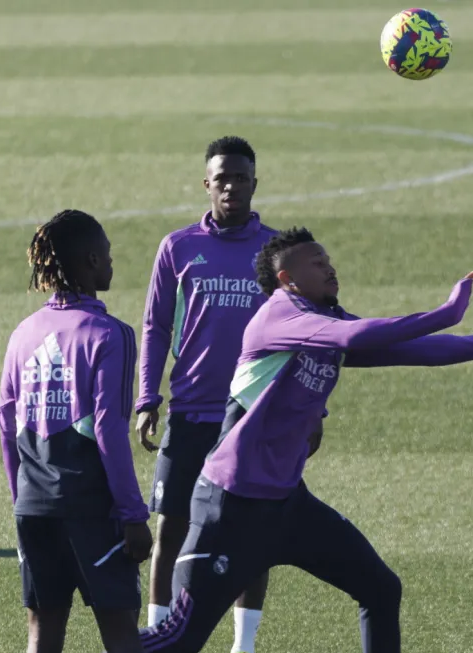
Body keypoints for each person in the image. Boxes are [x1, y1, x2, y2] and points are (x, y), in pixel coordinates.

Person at [137, 227, 473, 652]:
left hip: (287, 506)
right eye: (318, 263)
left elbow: (411, 349)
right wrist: (446, 311)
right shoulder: (278, 316)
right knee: (179, 641)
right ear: (287, 279)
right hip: (230, 510)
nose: (331, 269)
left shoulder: (326, 320)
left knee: (381, 589)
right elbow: (356, 337)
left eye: (329, 261)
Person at [134, 136, 281, 653]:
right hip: (191, 411)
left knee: (251, 537)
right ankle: (154, 636)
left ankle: (244, 647)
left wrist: (313, 412)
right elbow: (154, 326)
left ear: (254, 183)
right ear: (207, 185)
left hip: (254, 417)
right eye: (222, 178)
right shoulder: (178, 247)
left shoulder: (278, 250)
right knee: (170, 529)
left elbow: (311, 333)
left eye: (241, 178)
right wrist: (147, 397)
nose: (231, 187)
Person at [0, 210, 154, 653]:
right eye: (107, 254)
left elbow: (6, 425)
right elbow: (108, 429)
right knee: (121, 633)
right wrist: (133, 515)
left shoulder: (22, 334)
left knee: (42, 633)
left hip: (33, 509)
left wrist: (20, 500)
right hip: (91, 511)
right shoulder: (111, 335)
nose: (111, 262)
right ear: (90, 260)